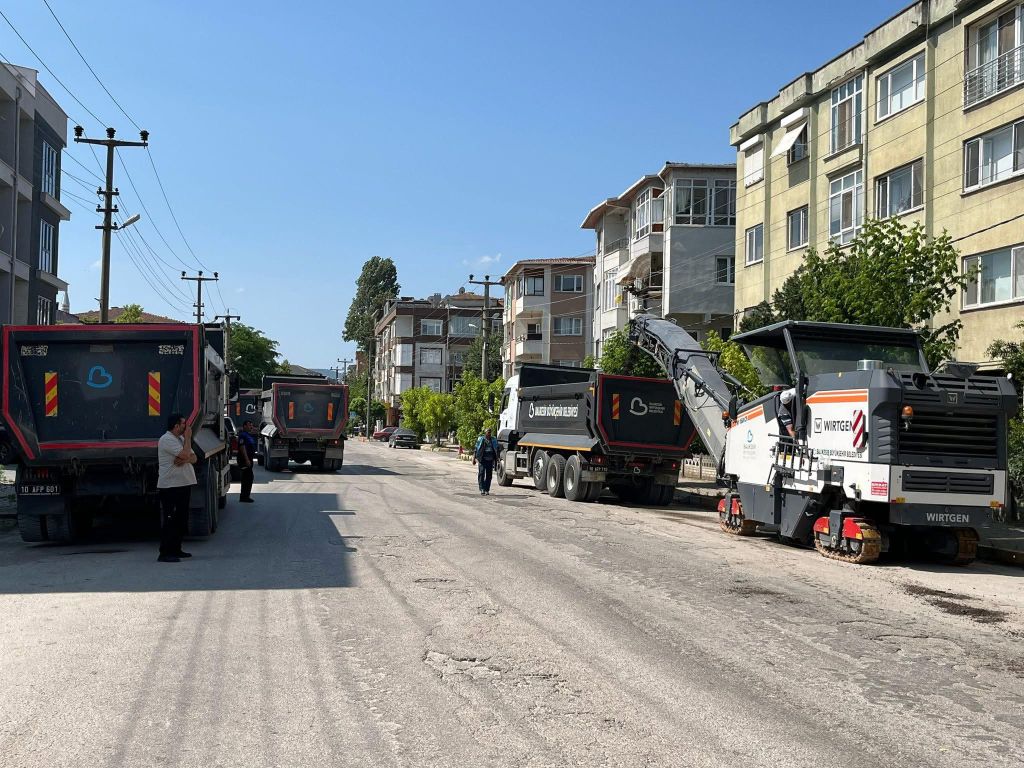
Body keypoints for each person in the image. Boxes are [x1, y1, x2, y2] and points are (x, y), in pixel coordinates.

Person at [157, 413, 197, 563]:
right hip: (170, 486)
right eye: (183, 424)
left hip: (183, 484)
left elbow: (193, 458)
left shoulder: (179, 439)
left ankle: (176, 548)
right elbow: (187, 453)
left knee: (181, 519)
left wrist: (184, 457)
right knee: (170, 519)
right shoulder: (167, 439)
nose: (186, 427)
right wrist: (187, 440)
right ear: (176, 426)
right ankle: (165, 552)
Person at [472, 428, 500, 496]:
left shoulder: (493, 440)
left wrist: (497, 458)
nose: (489, 433)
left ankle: (487, 489)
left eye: (490, 432)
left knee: (489, 475)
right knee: (481, 474)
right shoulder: (481, 439)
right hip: (482, 459)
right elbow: (476, 448)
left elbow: (497, 449)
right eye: (488, 432)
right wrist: (474, 458)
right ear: (485, 433)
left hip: (490, 460)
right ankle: (482, 489)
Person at [238, 420, 258, 503]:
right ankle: (244, 497)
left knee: (248, 478)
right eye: (249, 425)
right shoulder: (242, 435)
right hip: (244, 459)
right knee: (248, 478)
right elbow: (242, 448)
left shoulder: (248, 435)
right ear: (244, 426)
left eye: (251, 425)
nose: (251, 427)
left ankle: (245, 496)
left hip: (249, 459)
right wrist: (247, 460)